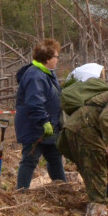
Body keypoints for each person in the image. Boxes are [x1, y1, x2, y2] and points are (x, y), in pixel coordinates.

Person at [14, 39, 66, 189]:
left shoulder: (47, 74)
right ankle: (21, 192)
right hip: (36, 127)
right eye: (56, 57)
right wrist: (44, 121)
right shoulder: (35, 76)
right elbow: (34, 102)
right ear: (48, 58)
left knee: (55, 158)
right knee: (30, 159)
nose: (57, 60)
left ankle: (62, 189)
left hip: (50, 125)